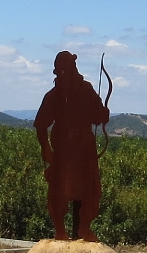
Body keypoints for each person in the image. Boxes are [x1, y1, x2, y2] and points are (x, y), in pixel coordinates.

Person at [33, 51, 109, 241]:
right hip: (64, 151)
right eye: (67, 68)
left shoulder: (85, 90)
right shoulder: (54, 95)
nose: (72, 71)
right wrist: (46, 149)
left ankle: (84, 229)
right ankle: (60, 230)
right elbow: (41, 125)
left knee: (89, 190)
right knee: (60, 191)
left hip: (84, 150)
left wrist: (103, 114)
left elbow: (97, 115)